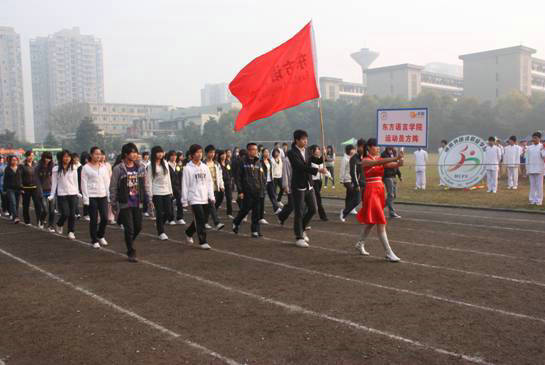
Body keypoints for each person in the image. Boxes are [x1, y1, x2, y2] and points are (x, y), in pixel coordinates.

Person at [355, 138, 404, 262]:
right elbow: (380, 163)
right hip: (371, 191)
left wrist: (399, 162)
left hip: (379, 190)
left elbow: (392, 164)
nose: (378, 148)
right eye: (376, 146)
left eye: (378, 147)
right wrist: (395, 158)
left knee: (372, 221)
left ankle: (360, 243)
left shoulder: (379, 159)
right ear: (369, 148)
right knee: (381, 221)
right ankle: (388, 252)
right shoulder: (365, 160)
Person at [110, 143, 151, 262]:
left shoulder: (140, 167)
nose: (134, 154)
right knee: (129, 228)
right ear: (125, 154)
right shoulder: (118, 169)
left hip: (138, 201)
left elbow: (145, 184)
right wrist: (113, 203)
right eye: (132, 152)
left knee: (138, 226)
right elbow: (113, 186)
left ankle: (129, 241)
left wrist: (148, 199)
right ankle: (131, 251)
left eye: (135, 152)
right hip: (125, 202)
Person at [287, 130, 328, 248]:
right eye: (303, 139)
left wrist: (323, 155)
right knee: (299, 212)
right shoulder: (291, 153)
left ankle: (302, 228)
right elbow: (300, 166)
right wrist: (317, 170)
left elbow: (318, 161)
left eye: (306, 139)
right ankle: (299, 237)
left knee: (313, 209)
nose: (306, 141)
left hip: (309, 184)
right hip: (298, 185)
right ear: (297, 140)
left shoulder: (308, 151)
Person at [182, 144, 215, 249]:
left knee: (203, 219)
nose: (199, 154)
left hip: (204, 197)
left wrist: (211, 196)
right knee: (200, 219)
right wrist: (184, 200)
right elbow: (185, 184)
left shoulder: (205, 167)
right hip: (194, 198)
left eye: (201, 152)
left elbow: (209, 183)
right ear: (192, 154)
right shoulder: (187, 168)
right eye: (197, 152)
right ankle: (203, 241)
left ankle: (188, 232)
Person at [232, 143, 266, 238]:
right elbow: (238, 178)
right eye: (253, 149)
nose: (255, 151)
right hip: (247, 191)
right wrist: (240, 191)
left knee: (257, 211)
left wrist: (262, 188)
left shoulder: (259, 162)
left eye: (256, 150)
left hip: (257, 191)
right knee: (245, 209)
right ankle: (236, 221)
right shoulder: (242, 162)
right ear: (248, 151)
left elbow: (262, 176)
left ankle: (255, 230)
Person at [81, 147, 111, 249]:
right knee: (94, 219)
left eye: (100, 154)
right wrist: (86, 199)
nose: (98, 156)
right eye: (96, 154)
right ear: (91, 155)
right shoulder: (86, 168)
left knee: (105, 218)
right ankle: (94, 240)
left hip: (102, 195)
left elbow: (107, 182)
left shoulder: (103, 167)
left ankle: (100, 234)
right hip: (92, 196)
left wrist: (109, 195)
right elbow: (83, 184)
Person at [144, 146, 174, 241]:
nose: (160, 154)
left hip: (166, 191)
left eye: (161, 152)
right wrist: (150, 195)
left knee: (169, 213)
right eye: (158, 152)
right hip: (156, 192)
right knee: (160, 213)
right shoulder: (150, 165)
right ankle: (161, 232)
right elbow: (148, 181)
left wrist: (171, 191)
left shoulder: (165, 163)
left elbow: (168, 178)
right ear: (154, 154)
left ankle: (159, 223)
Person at [49, 150, 79, 239]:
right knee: (65, 213)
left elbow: (75, 181)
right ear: (61, 158)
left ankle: (71, 231)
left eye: (69, 156)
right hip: (62, 194)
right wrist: (52, 194)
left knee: (72, 214)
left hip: (72, 193)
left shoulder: (74, 167)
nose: (67, 158)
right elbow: (54, 183)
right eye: (65, 156)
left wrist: (77, 192)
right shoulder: (55, 169)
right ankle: (59, 223)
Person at [19, 150, 44, 227]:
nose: (31, 157)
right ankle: (27, 221)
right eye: (30, 155)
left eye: (32, 155)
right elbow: (19, 177)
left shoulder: (36, 165)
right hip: (25, 188)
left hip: (35, 188)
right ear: (26, 156)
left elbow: (39, 176)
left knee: (38, 204)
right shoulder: (22, 165)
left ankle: (39, 221)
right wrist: (21, 187)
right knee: (26, 205)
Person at [203, 145, 225, 230]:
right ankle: (217, 222)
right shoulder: (203, 164)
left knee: (211, 206)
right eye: (210, 152)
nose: (212, 154)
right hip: (206, 188)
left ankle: (204, 222)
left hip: (216, 187)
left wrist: (221, 185)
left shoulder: (216, 163)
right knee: (211, 204)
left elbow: (220, 175)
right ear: (206, 153)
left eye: (213, 152)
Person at [37, 152, 56, 232]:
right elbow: (37, 181)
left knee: (52, 210)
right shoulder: (38, 168)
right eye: (46, 158)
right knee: (45, 210)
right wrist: (39, 191)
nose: (48, 160)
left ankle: (50, 226)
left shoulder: (52, 167)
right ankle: (41, 221)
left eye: (49, 158)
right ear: (43, 158)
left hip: (51, 191)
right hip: (42, 191)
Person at [381, 147, 402, 219]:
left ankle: (379, 207)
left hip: (394, 176)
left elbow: (397, 165)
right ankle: (391, 212)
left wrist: (399, 175)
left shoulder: (394, 152)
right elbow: (388, 164)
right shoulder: (383, 154)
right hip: (387, 176)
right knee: (391, 194)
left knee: (394, 195)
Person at [165, 150, 185, 225]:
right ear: (169, 156)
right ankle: (170, 219)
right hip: (169, 187)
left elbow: (181, 176)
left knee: (180, 202)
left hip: (178, 187)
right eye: (172, 155)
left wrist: (181, 186)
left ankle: (180, 217)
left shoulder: (178, 165)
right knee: (169, 204)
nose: (174, 157)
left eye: (175, 156)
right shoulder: (166, 165)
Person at [261, 148, 282, 217]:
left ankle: (276, 209)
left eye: (268, 152)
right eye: (265, 152)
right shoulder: (260, 162)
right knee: (262, 197)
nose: (267, 153)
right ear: (262, 153)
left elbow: (271, 171)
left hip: (270, 181)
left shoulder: (269, 161)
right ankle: (261, 210)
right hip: (263, 182)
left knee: (273, 195)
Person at [526, 132, 545, 205]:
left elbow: (544, 156)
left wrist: (543, 149)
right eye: (533, 138)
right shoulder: (529, 147)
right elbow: (527, 159)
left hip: (539, 169)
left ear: (539, 138)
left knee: (539, 185)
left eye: (536, 138)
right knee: (532, 185)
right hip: (531, 169)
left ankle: (539, 200)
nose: (534, 139)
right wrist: (527, 169)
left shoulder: (542, 147)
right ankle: (532, 199)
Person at [339, 144, 357, 222]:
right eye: (353, 149)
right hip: (347, 179)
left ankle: (349, 208)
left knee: (349, 194)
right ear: (349, 150)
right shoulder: (345, 159)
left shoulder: (353, 158)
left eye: (354, 149)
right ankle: (349, 208)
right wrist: (341, 180)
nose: (354, 151)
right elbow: (342, 170)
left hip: (352, 179)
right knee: (352, 192)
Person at [310, 145, 328, 221]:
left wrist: (324, 153)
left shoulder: (319, 158)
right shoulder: (310, 159)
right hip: (313, 181)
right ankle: (323, 216)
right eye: (317, 149)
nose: (319, 150)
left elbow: (323, 160)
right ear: (312, 151)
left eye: (319, 149)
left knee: (314, 198)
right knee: (318, 198)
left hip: (320, 180)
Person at [3, 155, 21, 223]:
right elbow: (5, 180)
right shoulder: (7, 169)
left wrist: (22, 188)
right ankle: (16, 217)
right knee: (13, 203)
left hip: (18, 189)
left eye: (16, 160)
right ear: (10, 161)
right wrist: (4, 190)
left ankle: (14, 216)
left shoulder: (19, 168)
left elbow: (21, 179)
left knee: (16, 204)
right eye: (13, 160)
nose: (14, 161)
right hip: (10, 189)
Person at [217, 150, 234, 219]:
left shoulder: (228, 163)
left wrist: (231, 178)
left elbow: (230, 172)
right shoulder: (217, 164)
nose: (224, 156)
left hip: (228, 182)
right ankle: (214, 211)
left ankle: (229, 213)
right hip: (220, 183)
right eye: (222, 154)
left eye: (224, 154)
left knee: (229, 198)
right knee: (219, 198)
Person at [277, 153, 293, 225]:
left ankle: (303, 223)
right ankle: (281, 216)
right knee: (291, 205)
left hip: (301, 185)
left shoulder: (303, 157)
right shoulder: (287, 160)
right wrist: (285, 186)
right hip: (291, 186)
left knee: (304, 205)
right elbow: (285, 173)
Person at [141, 151, 151, 216]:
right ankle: (144, 210)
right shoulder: (141, 163)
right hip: (142, 180)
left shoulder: (150, 163)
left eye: (147, 155)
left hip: (149, 180)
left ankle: (150, 210)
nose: (147, 156)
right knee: (144, 196)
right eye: (145, 155)